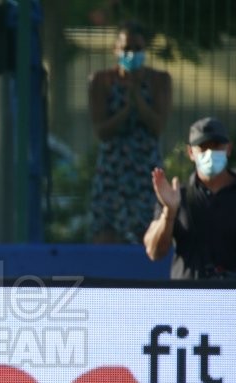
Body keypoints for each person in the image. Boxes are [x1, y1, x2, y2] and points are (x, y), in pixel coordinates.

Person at [143, 116, 236, 279]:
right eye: (203, 148)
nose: (210, 154)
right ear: (191, 152)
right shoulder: (176, 195)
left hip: (234, 297)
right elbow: (154, 252)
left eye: (217, 146)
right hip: (187, 298)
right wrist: (169, 212)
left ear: (229, 149)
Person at [88, 21, 172, 244]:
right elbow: (101, 130)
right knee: (106, 230)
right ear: (116, 49)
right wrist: (126, 111)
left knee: (147, 228)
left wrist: (138, 101)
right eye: (126, 48)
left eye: (137, 49)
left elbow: (157, 127)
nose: (131, 54)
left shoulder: (159, 81)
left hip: (145, 167)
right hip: (113, 168)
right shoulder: (101, 81)